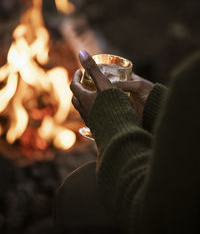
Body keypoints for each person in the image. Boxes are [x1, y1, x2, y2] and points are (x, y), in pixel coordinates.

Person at [55, 49, 200, 233]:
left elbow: (156, 215)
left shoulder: (191, 78)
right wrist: (159, 106)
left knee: (76, 193)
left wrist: (111, 119)